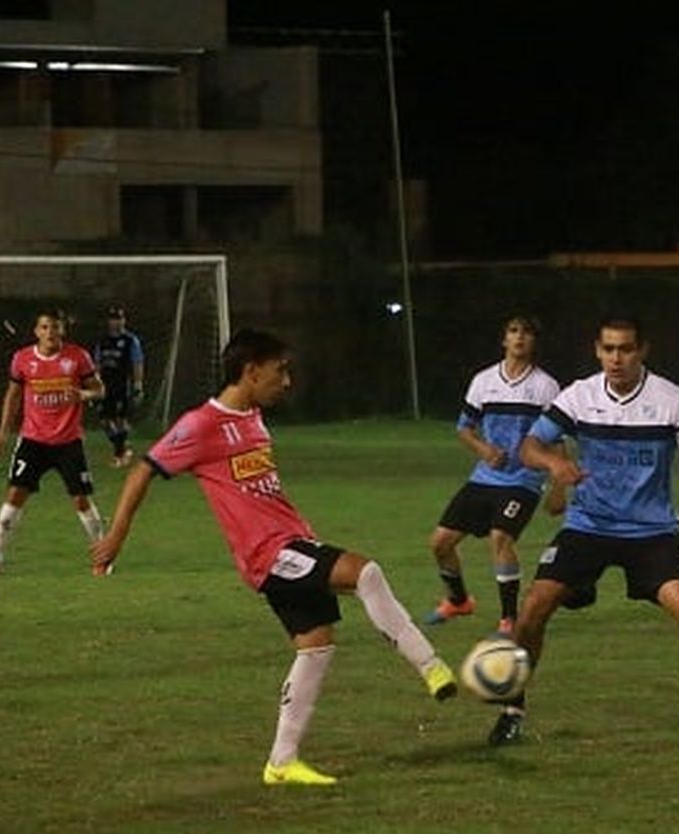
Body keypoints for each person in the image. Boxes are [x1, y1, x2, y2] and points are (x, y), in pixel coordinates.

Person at [90, 328, 459, 786]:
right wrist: (118, 534)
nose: (287, 381)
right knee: (366, 572)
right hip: (268, 554)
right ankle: (431, 666)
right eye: (280, 370)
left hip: (292, 542)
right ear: (250, 370)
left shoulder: (253, 418)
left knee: (316, 646)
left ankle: (282, 763)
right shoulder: (201, 424)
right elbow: (144, 470)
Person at [488, 318, 679, 747]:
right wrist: (555, 464)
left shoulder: (671, 401)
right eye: (608, 349)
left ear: (642, 351)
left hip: (652, 532)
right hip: (588, 527)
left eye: (625, 350)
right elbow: (530, 446)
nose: (616, 359)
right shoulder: (579, 396)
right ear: (597, 351)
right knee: (531, 610)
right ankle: (513, 711)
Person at [425, 315, 562, 635]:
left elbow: (556, 439)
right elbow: (464, 428)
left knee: (501, 537)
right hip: (484, 478)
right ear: (504, 340)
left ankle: (509, 619)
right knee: (440, 544)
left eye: (527, 333)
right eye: (514, 331)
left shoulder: (545, 386)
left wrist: (557, 486)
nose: (520, 337)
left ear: (534, 342)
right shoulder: (484, 381)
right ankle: (459, 601)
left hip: (524, 481)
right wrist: (484, 450)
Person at [0, 311, 106, 575]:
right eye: (44, 327)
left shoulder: (78, 357)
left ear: (62, 330)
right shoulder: (23, 359)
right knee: (14, 495)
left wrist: (83, 394)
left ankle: (103, 556)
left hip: (68, 441)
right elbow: (13, 396)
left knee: (80, 500)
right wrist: (1, 434)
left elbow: (100, 389)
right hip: (33, 440)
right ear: (36, 331)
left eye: (55, 327)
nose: (50, 333)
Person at [94, 304, 146, 468]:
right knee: (104, 420)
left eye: (119, 319)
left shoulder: (130, 340)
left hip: (123, 384)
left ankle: (119, 454)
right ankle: (123, 448)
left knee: (121, 418)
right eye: (113, 319)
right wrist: (94, 384)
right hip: (105, 385)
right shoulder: (102, 341)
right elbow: (96, 364)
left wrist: (138, 384)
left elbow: (137, 363)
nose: (116, 323)